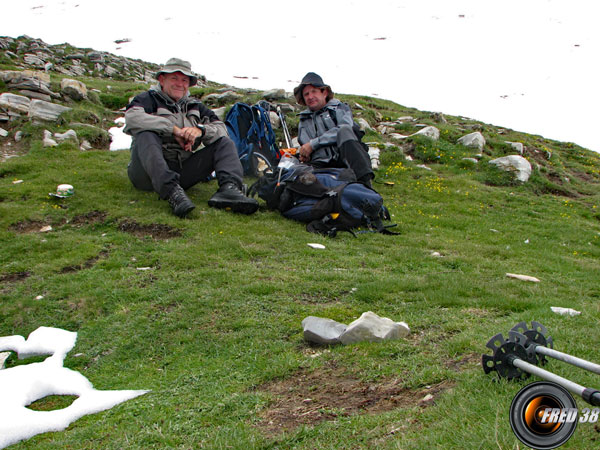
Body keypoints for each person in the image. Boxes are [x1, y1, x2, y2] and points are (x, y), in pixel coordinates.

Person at [124, 58, 258, 217]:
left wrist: (200, 131)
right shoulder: (147, 99)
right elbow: (132, 118)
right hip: (144, 174)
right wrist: (173, 130)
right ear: (162, 79)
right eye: (174, 78)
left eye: (184, 80)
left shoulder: (195, 106)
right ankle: (172, 192)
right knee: (145, 134)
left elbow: (222, 129)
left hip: (181, 171)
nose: (179, 84)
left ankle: (229, 190)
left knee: (224, 143)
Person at [293, 72, 374, 187]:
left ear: (324, 92)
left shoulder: (339, 108)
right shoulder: (303, 120)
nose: (310, 97)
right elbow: (305, 145)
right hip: (319, 165)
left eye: (314, 91)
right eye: (306, 94)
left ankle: (365, 184)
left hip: (344, 160)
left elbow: (345, 128)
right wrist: (304, 154)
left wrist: (313, 144)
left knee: (344, 131)